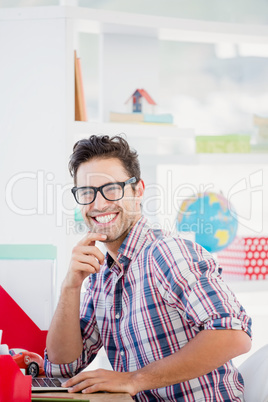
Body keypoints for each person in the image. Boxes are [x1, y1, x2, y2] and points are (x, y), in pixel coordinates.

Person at [45, 134, 252, 401]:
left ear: (138, 190)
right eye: (86, 193)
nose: (98, 204)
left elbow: (234, 334)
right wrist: (70, 286)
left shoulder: (166, 252)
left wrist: (134, 379)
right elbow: (64, 366)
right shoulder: (101, 276)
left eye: (111, 189)